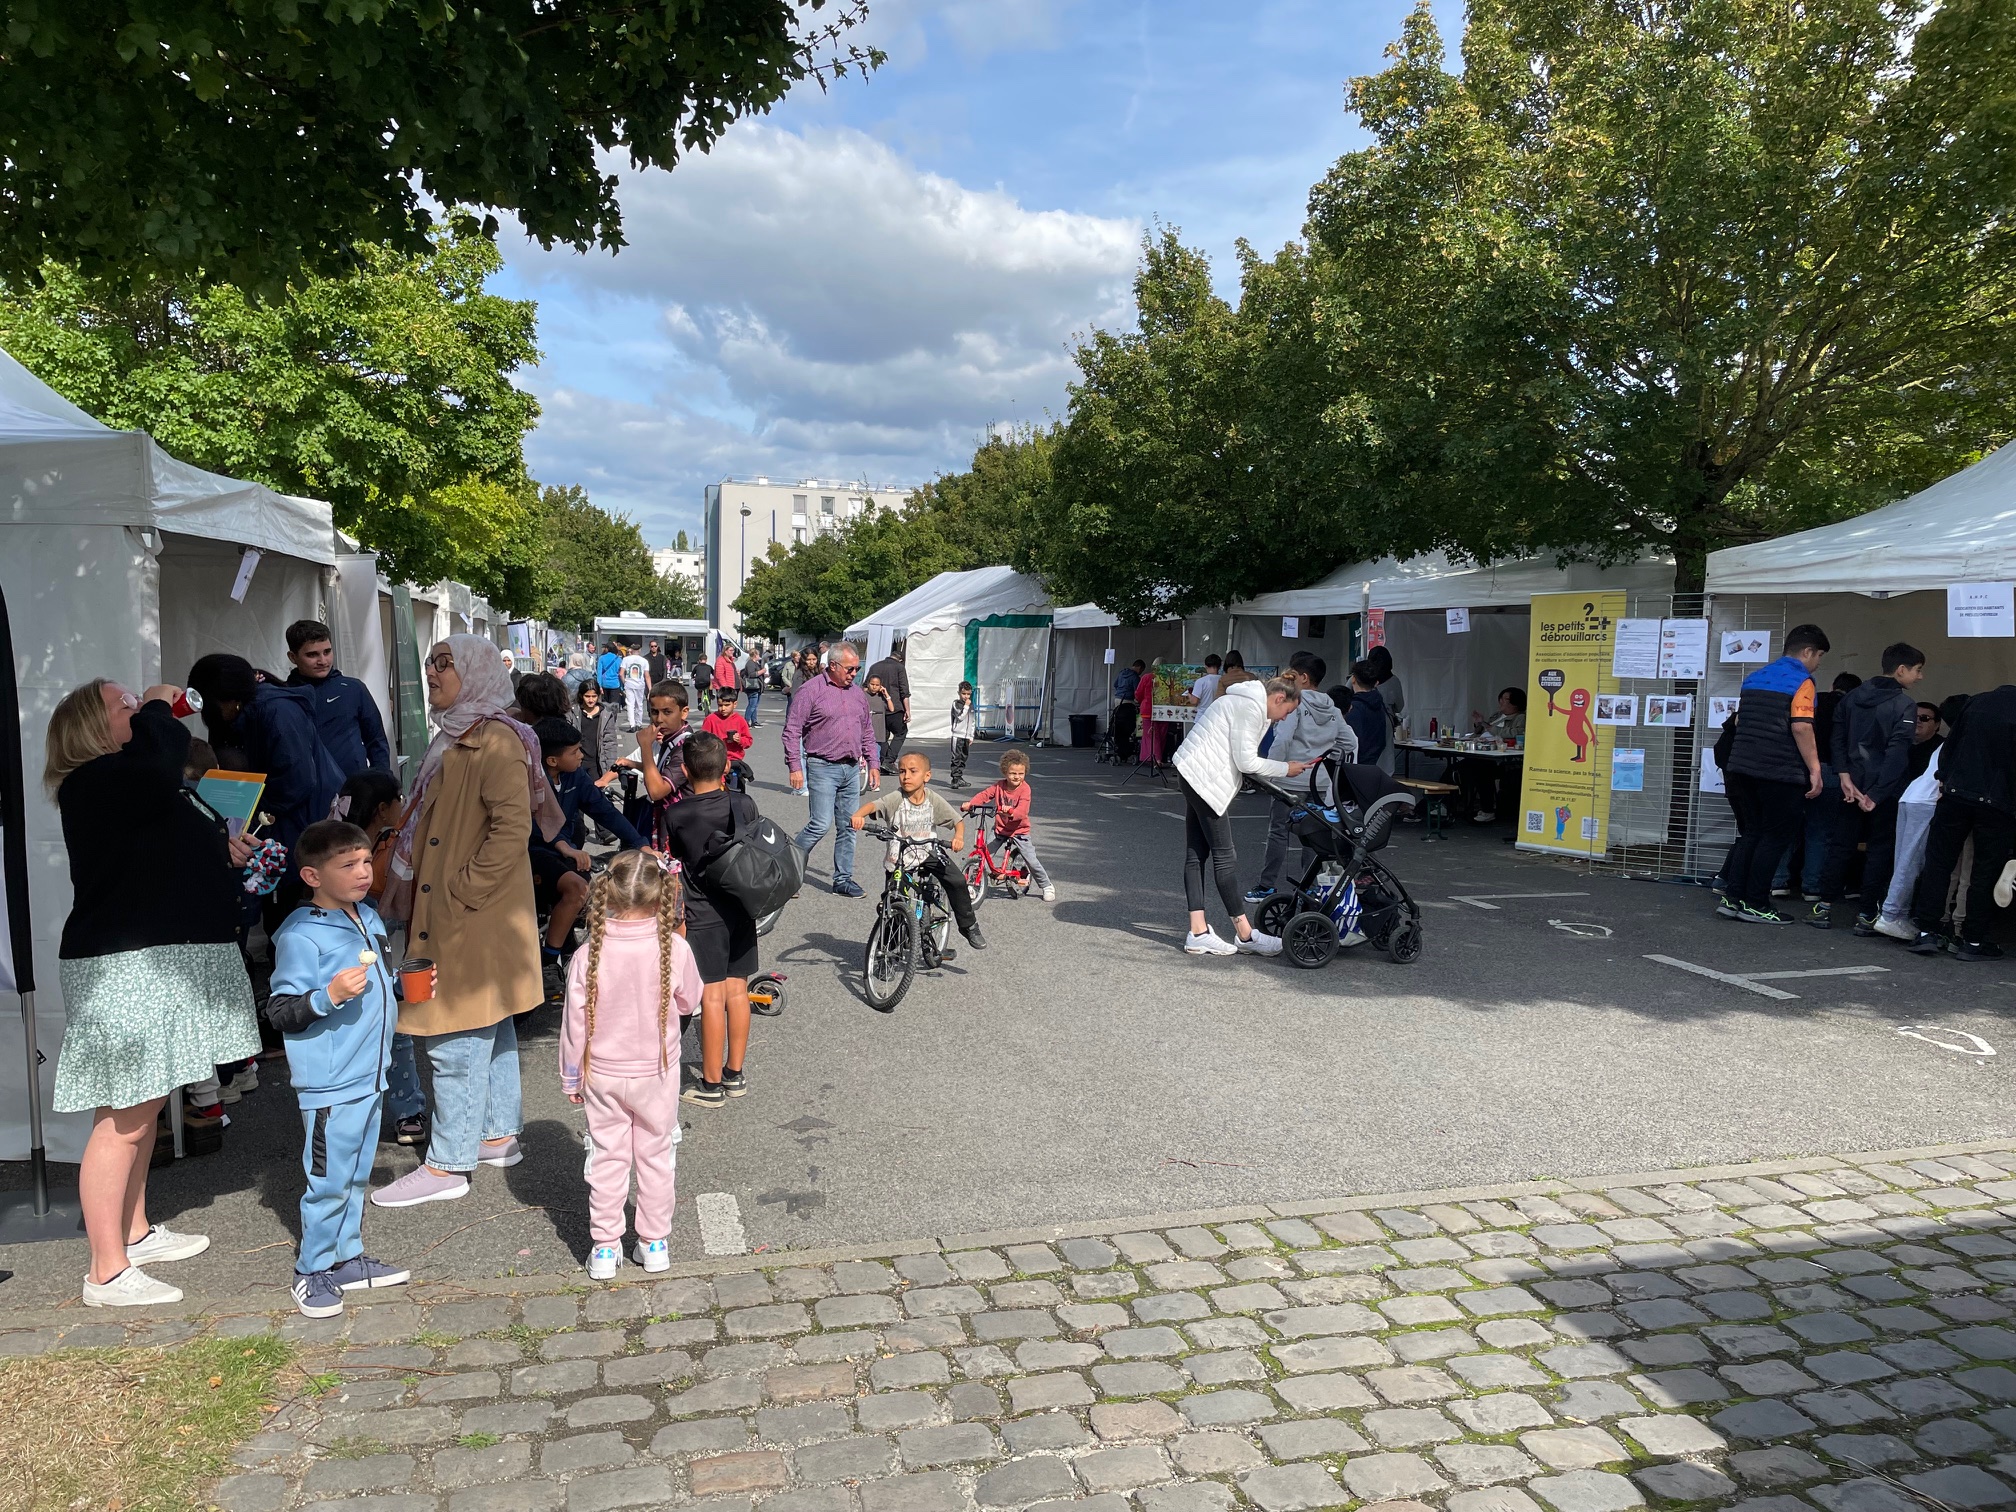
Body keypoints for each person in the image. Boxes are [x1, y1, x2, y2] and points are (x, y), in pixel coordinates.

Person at [45, 680, 263, 1306]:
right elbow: (165, 750)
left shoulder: (129, 782)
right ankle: (105, 1271)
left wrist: (218, 848)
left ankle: (133, 1232)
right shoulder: (99, 779)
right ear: (94, 725)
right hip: (126, 965)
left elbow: (162, 834)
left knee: (140, 1111)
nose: (137, 715)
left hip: (154, 958)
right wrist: (160, 707)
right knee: (125, 1119)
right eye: (123, 707)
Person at [372, 636, 561, 1208]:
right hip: (471, 909)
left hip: (471, 911)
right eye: (431, 665)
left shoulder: (494, 740)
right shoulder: (461, 732)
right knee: (491, 1018)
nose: (432, 675)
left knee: (454, 1032)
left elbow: (511, 828)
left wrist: (462, 889)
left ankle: (448, 1163)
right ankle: (497, 1134)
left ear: (474, 674)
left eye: (444, 667)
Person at [267, 820, 415, 1316]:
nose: (361, 871)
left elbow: (384, 979)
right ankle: (311, 1270)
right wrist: (329, 996)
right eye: (347, 864)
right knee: (328, 1179)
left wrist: (402, 989)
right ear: (312, 875)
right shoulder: (300, 935)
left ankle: (346, 1259)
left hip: (371, 1076)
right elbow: (280, 1010)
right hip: (330, 1083)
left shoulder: (368, 916)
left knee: (353, 1175)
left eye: (366, 861)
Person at [561, 849, 703, 1280]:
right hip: (657, 1071)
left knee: (606, 1156)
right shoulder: (673, 949)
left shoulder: (588, 955)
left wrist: (572, 1074)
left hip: (602, 1072)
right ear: (662, 898)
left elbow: (574, 1023)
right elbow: (691, 1000)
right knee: (657, 1156)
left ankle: (605, 1248)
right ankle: (654, 1242)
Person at [1169, 673, 1309, 956]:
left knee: (1196, 853)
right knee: (1225, 856)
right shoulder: (1251, 707)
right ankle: (1245, 935)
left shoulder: (1243, 699)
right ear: (1279, 698)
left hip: (1191, 770)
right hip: (1205, 780)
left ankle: (1198, 931)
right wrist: (1285, 769)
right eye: (1287, 711)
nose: (1283, 718)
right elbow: (1246, 761)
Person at [658, 734, 764, 1105]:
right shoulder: (744, 803)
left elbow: (668, 864)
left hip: (702, 911)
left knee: (712, 995)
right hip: (742, 906)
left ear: (685, 771)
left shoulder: (676, 814)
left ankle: (711, 1084)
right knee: (738, 991)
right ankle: (735, 1074)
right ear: (727, 767)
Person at [187, 652, 348, 880]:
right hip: (278, 817)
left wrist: (250, 805)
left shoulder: (278, 712)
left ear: (229, 699)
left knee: (293, 888)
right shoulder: (239, 715)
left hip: (305, 818)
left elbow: (297, 781)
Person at [1717, 623, 1830, 925]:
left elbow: (1740, 722)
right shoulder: (1803, 682)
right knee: (1775, 836)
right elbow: (1801, 726)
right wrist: (1815, 769)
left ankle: (1732, 897)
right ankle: (1755, 903)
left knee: (1751, 833)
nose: (1818, 663)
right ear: (1807, 652)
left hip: (1741, 768)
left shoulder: (1754, 678)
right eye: (1819, 656)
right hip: (1779, 771)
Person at [1809, 643, 1923, 932]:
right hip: (1883, 789)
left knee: (1841, 845)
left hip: (1850, 783)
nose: (1919, 677)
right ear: (1901, 670)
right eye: (1918, 670)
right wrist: (1877, 793)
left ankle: (1823, 907)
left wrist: (1844, 775)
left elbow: (1837, 738)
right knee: (1879, 849)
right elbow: (1897, 753)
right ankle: (1867, 913)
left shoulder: (1853, 697)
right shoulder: (1904, 705)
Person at [1910, 682, 2016, 960]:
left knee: (1939, 864)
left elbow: (1951, 744)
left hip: (1956, 794)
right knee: (1984, 872)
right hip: (1998, 802)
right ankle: (1973, 940)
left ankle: (1927, 932)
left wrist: (1944, 777)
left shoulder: (1976, 702)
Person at [532, 719, 647, 970]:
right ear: (552, 761)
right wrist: (565, 846)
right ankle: (550, 962)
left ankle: (566, 945)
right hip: (533, 853)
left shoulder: (576, 777)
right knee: (576, 889)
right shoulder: (530, 780)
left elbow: (604, 811)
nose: (582, 755)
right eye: (574, 752)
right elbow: (531, 826)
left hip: (565, 851)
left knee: (596, 889)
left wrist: (640, 843)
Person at [1247, 654, 1354, 903]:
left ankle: (1266, 886)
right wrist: (1325, 757)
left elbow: (1283, 740)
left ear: (1303, 678)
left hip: (1290, 779)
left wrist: (1271, 770)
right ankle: (1312, 887)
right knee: (1314, 835)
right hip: (1321, 782)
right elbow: (1350, 742)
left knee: (1278, 833)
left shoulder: (1295, 705)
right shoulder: (1333, 709)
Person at [854, 752, 987, 952]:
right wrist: (858, 816)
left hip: (928, 853)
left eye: (913, 771)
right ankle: (886, 951)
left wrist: (958, 837)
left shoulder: (932, 799)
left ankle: (968, 926)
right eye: (902, 771)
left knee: (957, 881)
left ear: (927, 776)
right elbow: (874, 805)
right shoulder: (896, 798)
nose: (906, 776)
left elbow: (957, 821)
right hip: (900, 857)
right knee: (893, 902)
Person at [782, 642, 880, 896]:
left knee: (849, 826)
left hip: (851, 768)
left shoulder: (857, 693)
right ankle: (786, 872)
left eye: (857, 669)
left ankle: (843, 880)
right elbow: (792, 730)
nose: (854, 673)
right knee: (820, 824)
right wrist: (795, 766)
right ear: (833, 665)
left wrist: (874, 763)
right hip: (822, 765)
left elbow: (867, 731)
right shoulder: (810, 691)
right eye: (849, 669)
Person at [284, 619, 391, 777]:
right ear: (293, 657)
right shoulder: (283, 695)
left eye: (327, 652)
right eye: (312, 655)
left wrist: (383, 784)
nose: (323, 661)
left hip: (353, 790)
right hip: (305, 794)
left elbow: (376, 741)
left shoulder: (354, 689)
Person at [962, 749, 1055, 902]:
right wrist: (971, 804)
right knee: (983, 856)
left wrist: (1011, 812)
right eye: (1012, 773)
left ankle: (1046, 885)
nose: (1016, 777)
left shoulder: (1025, 789)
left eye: (1020, 773)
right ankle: (972, 884)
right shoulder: (999, 786)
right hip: (1000, 829)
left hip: (1020, 831)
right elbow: (985, 795)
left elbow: (1022, 812)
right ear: (1005, 772)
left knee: (1031, 859)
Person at [1461, 687, 1527, 824]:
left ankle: (1487, 810)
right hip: (1482, 752)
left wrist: (1489, 727)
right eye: (1501, 698)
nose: (1501, 701)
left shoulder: (1521, 718)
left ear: (1515, 703)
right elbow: (1480, 731)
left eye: (1505, 699)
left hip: (1504, 760)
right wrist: (1479, 723)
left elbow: (1514, 733)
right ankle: (1446, 803)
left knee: (1481, 770)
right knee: (1461, 767)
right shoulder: (1497, 715)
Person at [575, 682, 627, 840]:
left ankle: (603, 832)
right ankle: (579, 829)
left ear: (599, 695)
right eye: (587, 696)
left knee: (598, 797)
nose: (590, 700)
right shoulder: (574, 712)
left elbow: (610, 741)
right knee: (576, 798)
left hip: (596, 761)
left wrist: (611, 766)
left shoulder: (606, 714)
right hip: (577, 761)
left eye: (593, 696)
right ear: (581, 696)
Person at [868, 644, 912, 769]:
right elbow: (904, 690)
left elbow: (866, 685)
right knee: (901, 732)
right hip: (895, 706)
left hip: (877, 706)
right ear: (901, 660)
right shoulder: (899, 668)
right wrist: (907, 710)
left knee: (882, 735)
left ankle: (883, 761)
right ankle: (889, 760)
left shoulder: (875, 666)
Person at [702, 686, 754, 785]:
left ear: (734, 704)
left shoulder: (740, 720)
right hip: (715, 761)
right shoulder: (710, 719)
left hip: (734, 761)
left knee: (734, 792)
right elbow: (703, 740)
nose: (723, 708)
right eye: (720, 705)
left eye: (727, 705)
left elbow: (748, 741)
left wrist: (740, 740)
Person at [1344, 661, 1388, 768]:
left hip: (1353, 767)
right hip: (1372, 764)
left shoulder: (1353, 707)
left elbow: (1349, 742)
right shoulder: (1380, 705)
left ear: (1353, 679)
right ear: (1376, 683)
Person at [949, 681, 977, 789]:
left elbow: (972, 721)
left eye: (968, 694)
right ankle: (955, 779)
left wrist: (971, 735)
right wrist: (966, 706)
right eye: (964, 694)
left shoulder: (971, 706)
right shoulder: (956, 704)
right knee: (956, 757)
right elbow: (960, 717)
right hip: (958, 735)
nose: (966, 696)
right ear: (959, 693)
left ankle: (960, 777)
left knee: (964, 757)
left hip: (966, 736)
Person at [864, 673, 896, 764]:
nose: (874, 687)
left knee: (875, 755)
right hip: (864, 730)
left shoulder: (882, 697)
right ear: (868, 684)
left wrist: (887, 695)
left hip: (877, 732)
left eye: (877, 685)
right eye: (872, 684)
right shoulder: (863, 695)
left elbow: (892, 709)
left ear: (881, 686)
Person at [620, 645, 651, 729]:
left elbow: (621, 673)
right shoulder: (644, 661)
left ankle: (632, 724)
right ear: (640, 650)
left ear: (631, 650)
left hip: (629, 683)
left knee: (630, 704)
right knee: (639, 704)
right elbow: (647, 676)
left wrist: (624, 681)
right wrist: (650, 689)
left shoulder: (625, 659)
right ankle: (639, 723)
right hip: (640, 684)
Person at [1190, 655, 1224, 721]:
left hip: (1202, 718)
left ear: (1206, 666)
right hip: (1218, 718)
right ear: (1219, 666)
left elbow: (1194, 701)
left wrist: (1189, 695)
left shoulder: (1201, 681)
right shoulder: (1223, 680)